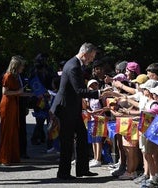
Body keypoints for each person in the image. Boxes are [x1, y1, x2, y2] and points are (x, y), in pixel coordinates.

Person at [50, 42, 101, 180]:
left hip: (72, 107)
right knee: (67, 141)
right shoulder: (73, 66)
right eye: (91, 57)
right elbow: (79, 90)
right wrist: (99, 93)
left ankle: (82, 169)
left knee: (82, 137)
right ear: (85, 54)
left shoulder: (76, 64)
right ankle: (63, 172)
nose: (91, 60)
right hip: (66, 108)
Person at [0, 56, 31, 165]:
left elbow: (18, 92)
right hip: (7, 105)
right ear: (16, 66)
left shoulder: (16, 76)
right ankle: (4, 158)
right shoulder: (8, 76)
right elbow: (5, 92)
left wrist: (33, 94)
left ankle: (12, 157)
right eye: (21, 65)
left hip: (13, 104)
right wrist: (19, 92)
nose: (23, 68)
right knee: (7, 131)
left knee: (14, 131)